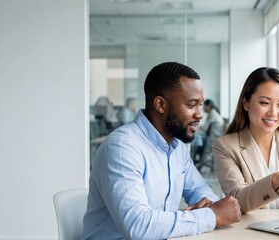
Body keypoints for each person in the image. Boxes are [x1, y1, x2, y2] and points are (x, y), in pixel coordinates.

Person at [82, 62, 241, 240]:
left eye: (200, 105)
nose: (199, 114)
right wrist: (212, 215)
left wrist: (209, 204)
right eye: (191, 105)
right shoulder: (122, 149)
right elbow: (139, 226)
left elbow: (199, 188)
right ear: (160, 104)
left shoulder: (177, 148)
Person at [212, 67, 279, 217]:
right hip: (250, 231)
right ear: (246, 102)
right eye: (264, 103)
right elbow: (238, 200)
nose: (273, 113)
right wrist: (275, 180)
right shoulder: (225, 146)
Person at [196, 99, 224, 172]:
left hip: (214, 135)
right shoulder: (213, 112)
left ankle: (200, 166)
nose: (203, 108)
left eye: (204, 106)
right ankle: (204, 165)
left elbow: (205, 127)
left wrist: (197, 128)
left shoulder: (212, 113)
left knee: (205, 151)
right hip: (217, 135)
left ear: (208, 106)